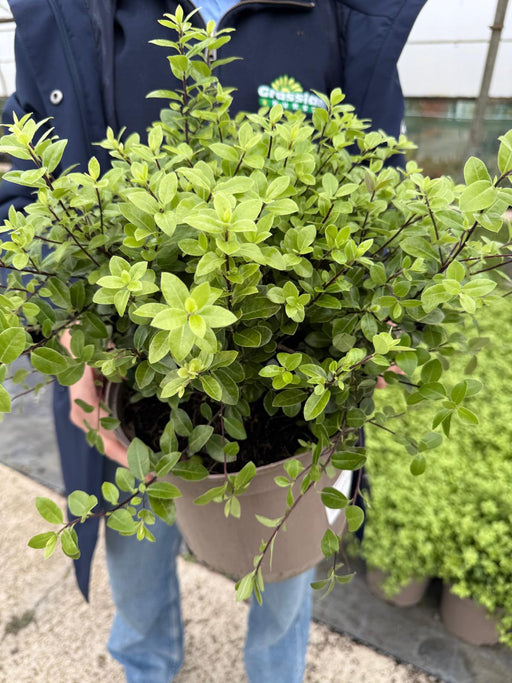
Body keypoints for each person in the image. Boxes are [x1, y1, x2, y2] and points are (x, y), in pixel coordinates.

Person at [0, 1, 425, 681]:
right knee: (135, 552)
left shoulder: (343, 16)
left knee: (286, 561)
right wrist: (62, 328)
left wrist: (387, 309)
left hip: (293, 380)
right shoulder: (71, 10)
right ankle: (147, 664)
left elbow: (383, 181)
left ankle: (276, 672)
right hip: (122, 371)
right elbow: (19, 195)